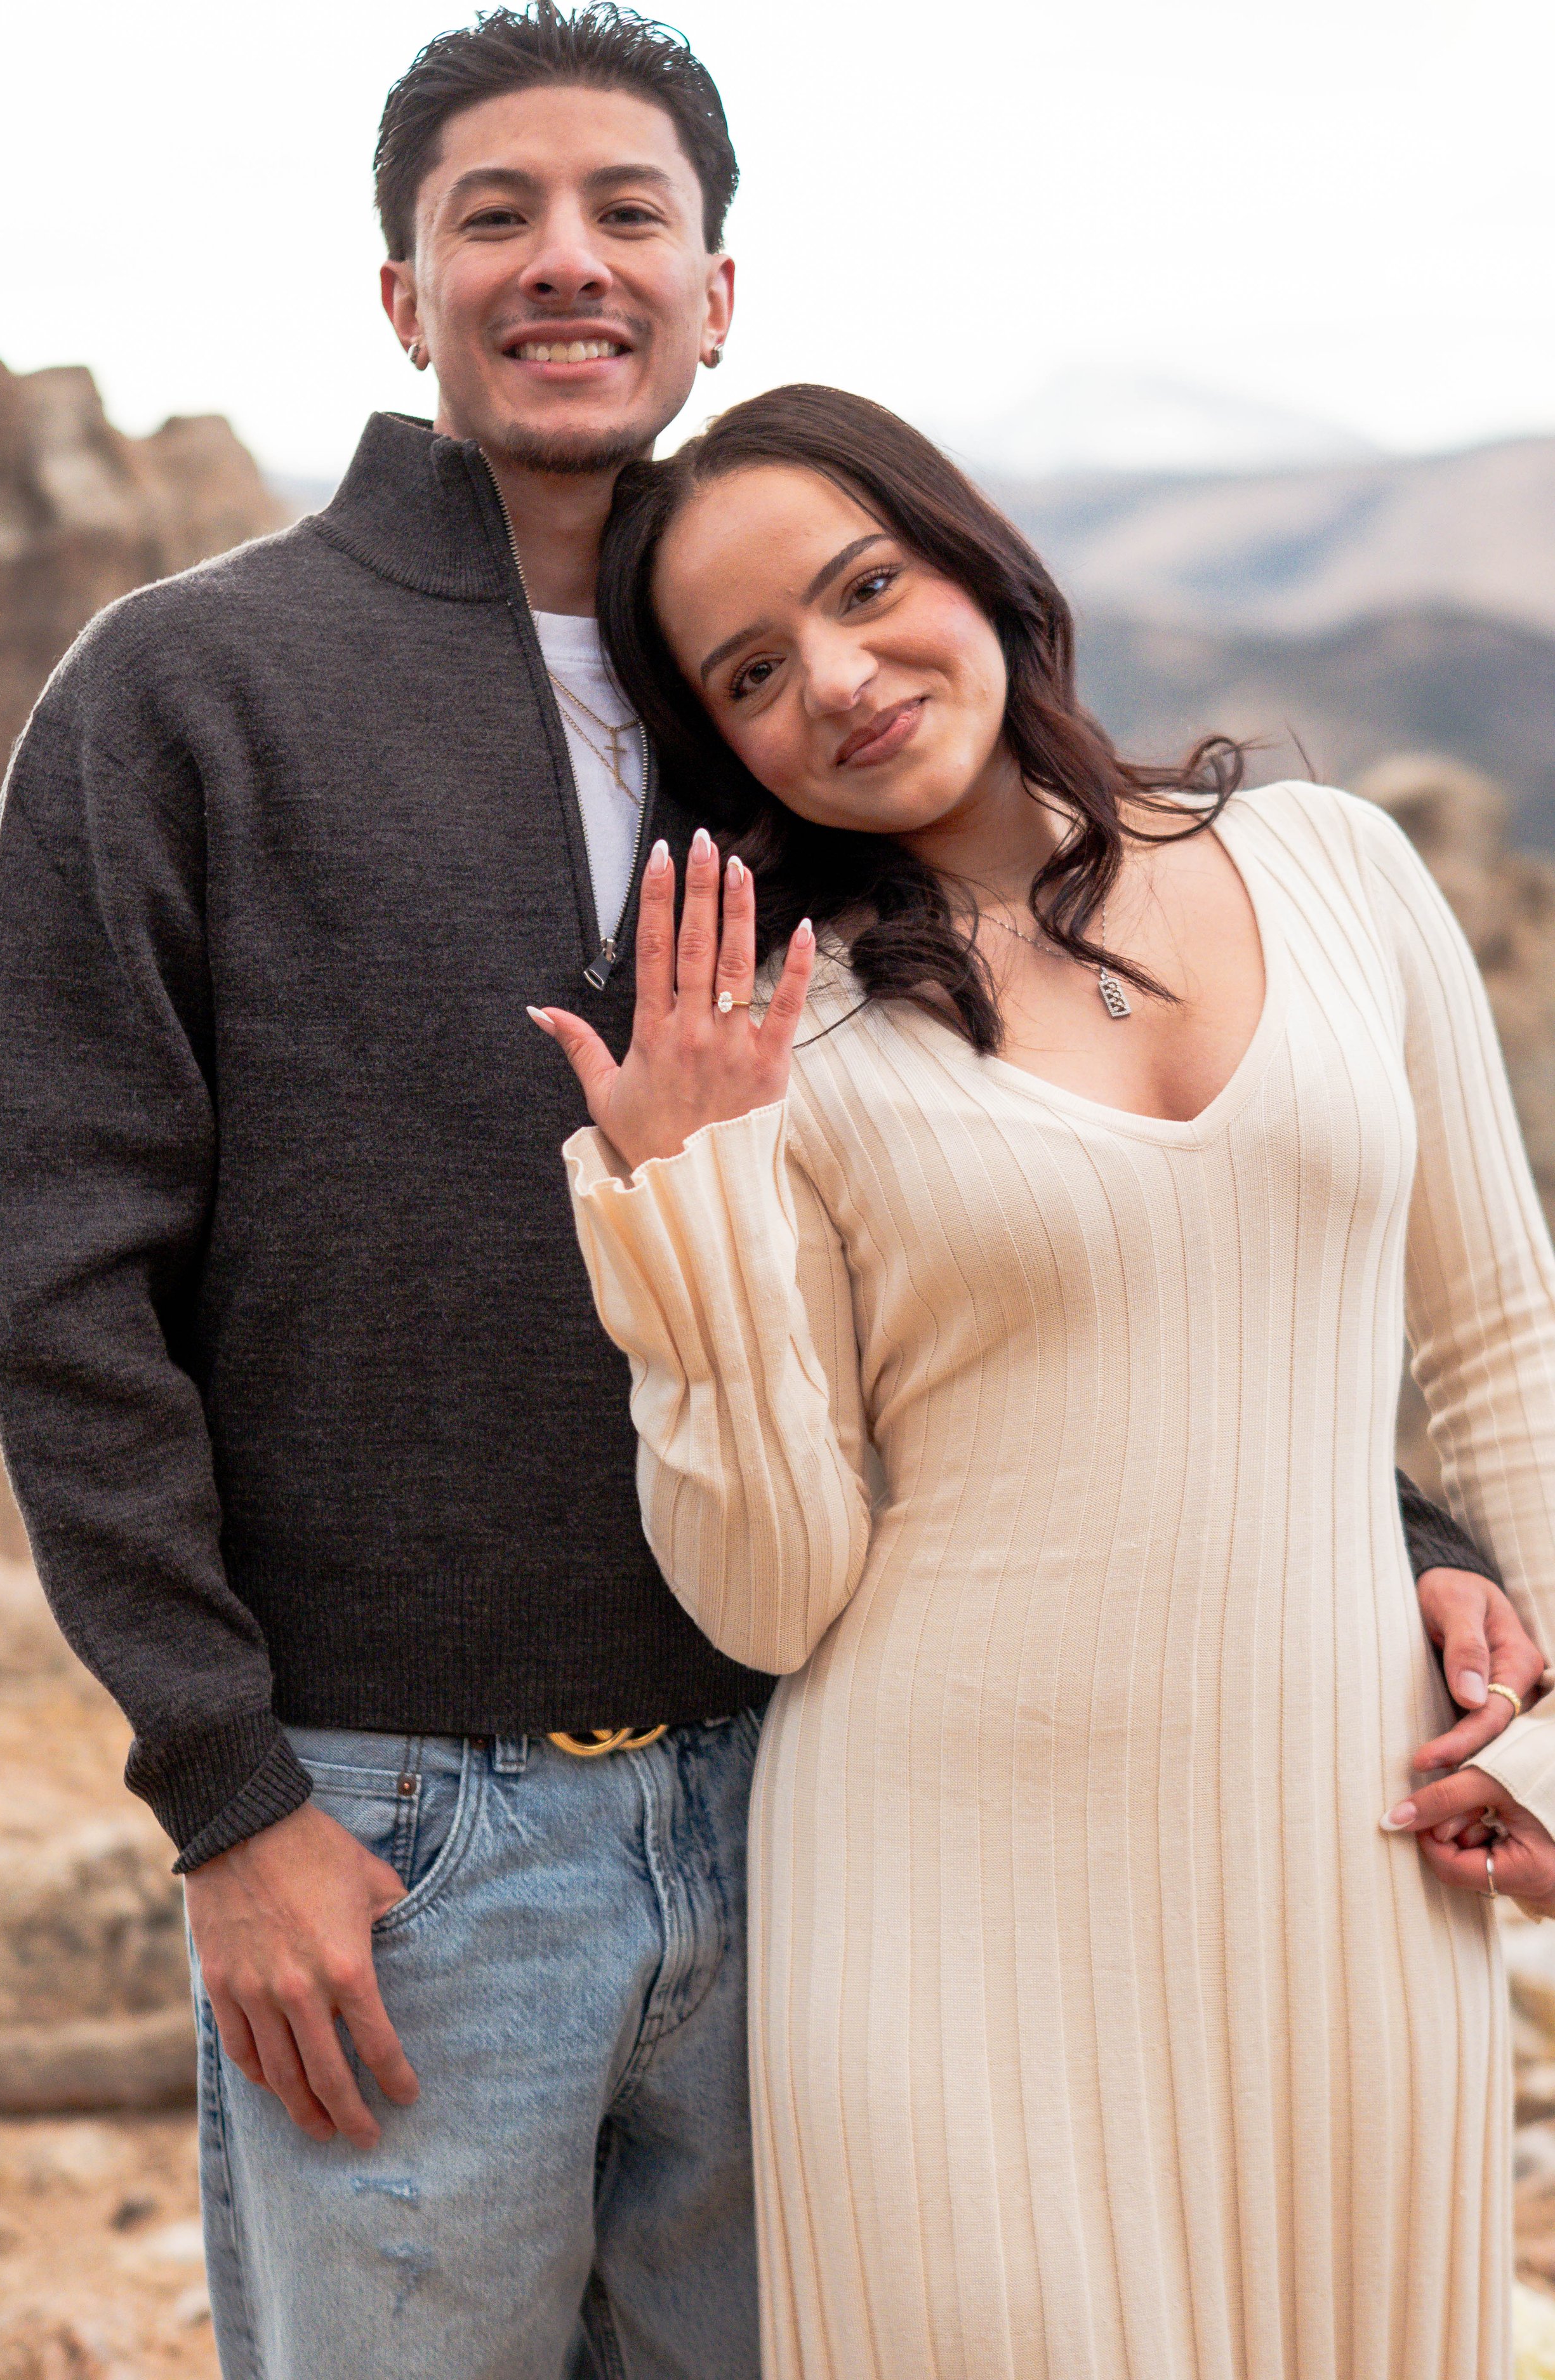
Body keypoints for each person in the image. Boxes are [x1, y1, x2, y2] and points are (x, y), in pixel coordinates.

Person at [0, 7, 1525, 2374]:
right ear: (402, 294)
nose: (564, 261)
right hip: (406, 1831)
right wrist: (227, 1794)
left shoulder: (795, 774)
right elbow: (69, 1276)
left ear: (719, 287)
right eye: (494, 216)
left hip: (806, 1797)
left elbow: (1097, 1247)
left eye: (627, 212)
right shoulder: (190, 689)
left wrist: (1401, 1546)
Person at [536, 383, 1555, 2379]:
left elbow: (1500, 1342)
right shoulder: (789, 1049)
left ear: (973, 558)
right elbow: (768, 1590)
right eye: (753, 670)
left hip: (1350, 1879)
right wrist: (687, 1195)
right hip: (944, 1909)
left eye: (865, 587)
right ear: (712, 742)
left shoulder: (1335, 868)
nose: (836, 678)